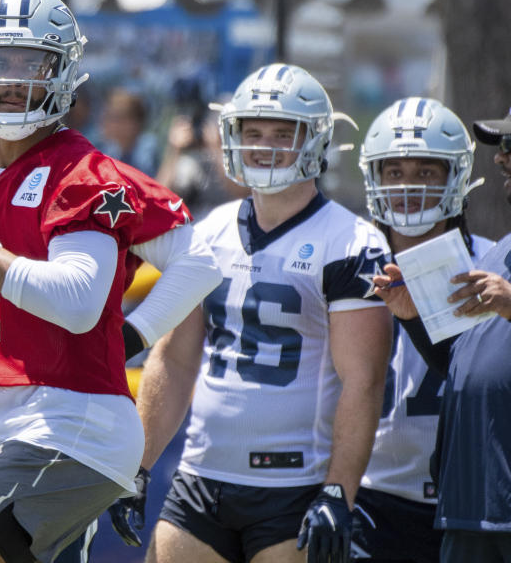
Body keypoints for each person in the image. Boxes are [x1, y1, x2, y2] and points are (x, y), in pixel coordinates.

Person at [0, 0, 222, 563]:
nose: (11, 80)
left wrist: (133, 334)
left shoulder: (79, 170)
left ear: (63, 72)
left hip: (69, 419)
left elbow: (82, 302)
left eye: (31, 64)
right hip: (0, 420)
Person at [112, 63, 393, 563]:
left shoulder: (351, 242)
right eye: (253, 131)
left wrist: (339, 489)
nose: (264, 144)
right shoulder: (209, 232)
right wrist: (138, 464)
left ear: (314, 140)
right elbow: (174, 361)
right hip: (200, 480)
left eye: (283, 133)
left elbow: (363, 381)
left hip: (295, 486)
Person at [353, 97, 492, 563]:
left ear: (456, 177)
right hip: (374, 500)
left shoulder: (495, 263)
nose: (409, 186)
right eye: (394, 172)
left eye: (426, 172)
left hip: (475, 505)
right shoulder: (345, 266)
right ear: (374, 178)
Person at [95, 88, 160, 177]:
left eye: (112, 117)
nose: (104, 121)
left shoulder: (147, 148)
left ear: (131, 123)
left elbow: (148, 187)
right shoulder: (111, 149)